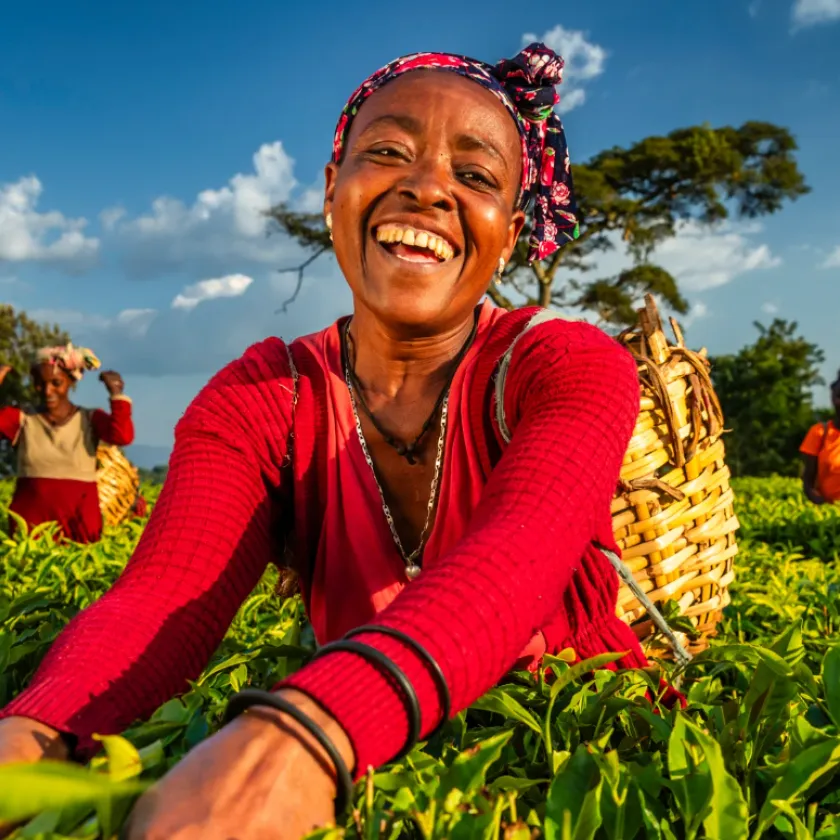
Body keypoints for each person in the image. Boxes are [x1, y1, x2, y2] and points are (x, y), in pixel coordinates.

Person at [0, 44, 663, 839]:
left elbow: (517, 557)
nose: (426, 188)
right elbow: (162, 596)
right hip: (369, 764)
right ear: (331, 188)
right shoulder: (259, 399)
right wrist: (35, 735)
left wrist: (307, 730)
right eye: (387, 152)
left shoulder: (566, 365)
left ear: (512, 232)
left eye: (477, 175)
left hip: (579, 758)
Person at [0, 344, 134, 543]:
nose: (47, 391)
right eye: (40, 383)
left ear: (70, 382)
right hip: (30, 523)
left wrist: (117, 396)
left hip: (79, 523)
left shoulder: (89, 419)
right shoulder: (22, 419)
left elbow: (122, 436)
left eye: (56, 383)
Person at [800, 376, 840, 505]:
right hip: (830, 512)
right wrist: (822, 505)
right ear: (833, 399)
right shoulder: (819, 432)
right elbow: (808, 483)